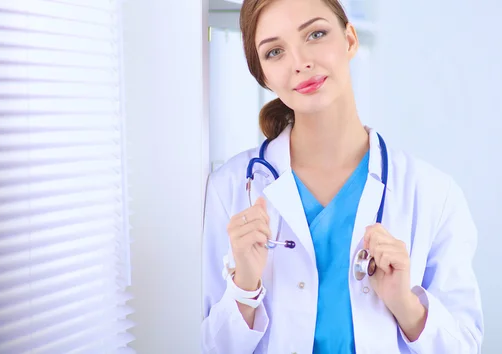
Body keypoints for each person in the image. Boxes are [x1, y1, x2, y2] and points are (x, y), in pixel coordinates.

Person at [201, 0, 484, 353]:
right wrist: (244, 288)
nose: (300, 62)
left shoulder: (433, 194)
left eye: (316, 34)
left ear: (349, 40)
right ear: (264, 76)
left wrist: (406, 305)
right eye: (275, 52)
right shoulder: (229, 190)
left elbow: (465, 347)